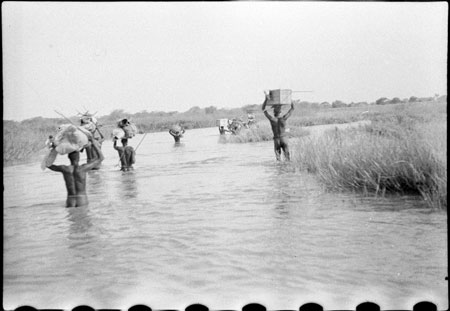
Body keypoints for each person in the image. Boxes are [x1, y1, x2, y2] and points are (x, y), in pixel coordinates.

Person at [47, 137, 104, 207]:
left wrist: (53, 149)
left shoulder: (65, 169)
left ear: (69, 157)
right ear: (79, 157)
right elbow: (101, 158)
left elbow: (47, 164)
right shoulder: (83, 169)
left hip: (70, 200)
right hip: (82, 199)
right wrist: (94, 143)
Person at [262, 92, 295, 161]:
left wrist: (266, 99)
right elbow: (292, 108)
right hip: (284, 139)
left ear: (274, 113)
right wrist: (290, 99)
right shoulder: (283, 118)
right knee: (287, 158)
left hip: (276, 140)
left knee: (278, 159)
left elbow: (263, 109)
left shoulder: (272, 119)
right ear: (280, 112)